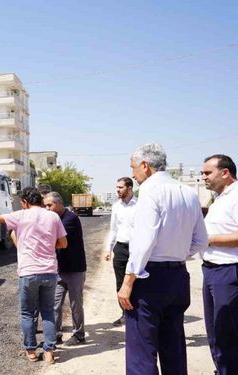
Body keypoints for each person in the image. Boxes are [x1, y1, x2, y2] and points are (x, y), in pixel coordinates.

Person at [118, 143, 207, 375]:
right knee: (173, 345)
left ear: (146, 166)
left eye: (134, 168)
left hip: (150, 279)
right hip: (178, 276)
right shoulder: (188, 192)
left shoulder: (149, 191)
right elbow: (201, 241)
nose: (133, 175)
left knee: (141, 351)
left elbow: (143, 242)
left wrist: (128, 282)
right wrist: (177, 254)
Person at [0, 187, 67, 364]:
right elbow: (63, 243)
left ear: (25, 202)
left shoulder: (21, 215)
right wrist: (47, 244)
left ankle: (31, 351)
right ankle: (49, 352)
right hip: (49, 272)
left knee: (27, 313)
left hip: (28, 273)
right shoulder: (53, 216)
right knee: (48, 312)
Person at [200, 154, 238, 375]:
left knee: (227, 332)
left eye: (207, 173)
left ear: (225, 173)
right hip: (212, 270)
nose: (203, 177)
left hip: (228, 271)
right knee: (214, 332)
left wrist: (208, 239)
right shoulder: (220, 198)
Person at [44, 192, 86, 346]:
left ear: (59, 203)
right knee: (54, 305)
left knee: (76, 305)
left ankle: (79, 335)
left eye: (50, 205)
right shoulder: (54, 219)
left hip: (75, 269)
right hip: (59, 270)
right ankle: (55, 335)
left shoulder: (70, 219)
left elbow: (53, 237)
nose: (47, 209)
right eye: (45, 206)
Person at [105, 177, 137, 326]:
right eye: (117, 187)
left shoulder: (140, 205)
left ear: (130, 188)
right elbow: (113, 229)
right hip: (121, 248)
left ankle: (138, 313)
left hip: (136, 249)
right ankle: (125, 313)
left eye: (121, 187)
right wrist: (108, 249)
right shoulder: (116, 206)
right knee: (120, 282)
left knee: (137, 281)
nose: (117, 190)